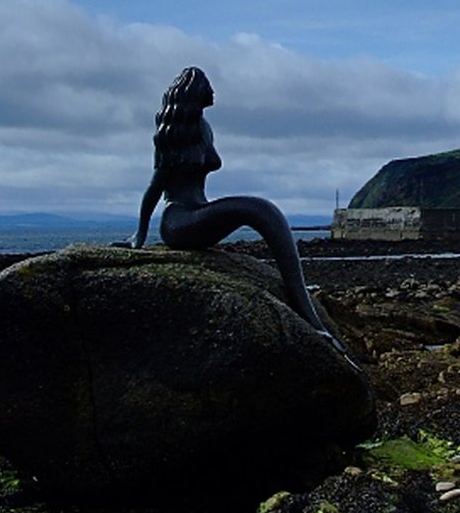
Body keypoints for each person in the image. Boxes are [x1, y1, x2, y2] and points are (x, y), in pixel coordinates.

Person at [120, 67, 348, 355]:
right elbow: (155, 188)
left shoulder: (203, 127)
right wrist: (139, 235)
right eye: (208, 87)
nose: (213, 92)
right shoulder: (171, 133)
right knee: (261, 210)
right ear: (194, 92)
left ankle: (310, 316)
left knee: (265, 212)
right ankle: (314, 323)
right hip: (179, 221)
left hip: (199, 211)